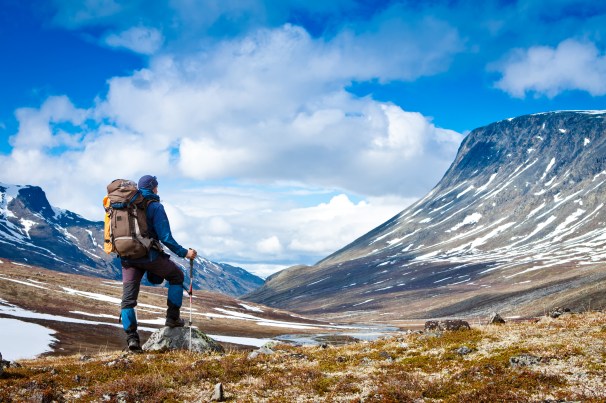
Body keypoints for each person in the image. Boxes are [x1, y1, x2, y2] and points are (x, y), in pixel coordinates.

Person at [120, 175, 197, 351]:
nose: (158, 190)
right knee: (176, 276)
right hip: (150, 256)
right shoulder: (155, 206)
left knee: (128, 300)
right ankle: (173, 318)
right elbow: (165, 237)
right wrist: (185, 253)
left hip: (127, 258)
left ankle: (132, 339)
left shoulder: (124, 206)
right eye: (157, 187)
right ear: (153, 188)